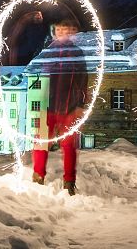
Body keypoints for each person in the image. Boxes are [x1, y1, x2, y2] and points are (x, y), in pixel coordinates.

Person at [32, 17, 88, 195]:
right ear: (54, 31)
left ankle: (69, 182)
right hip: (47, 106)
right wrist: (38, 104)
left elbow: (83, 80)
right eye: (59, 30)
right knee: (40, 143)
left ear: (73, 33)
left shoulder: (77, 53)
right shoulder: (47, 52)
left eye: (67, 30)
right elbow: (38, 77)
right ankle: (37, 177)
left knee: (69, 145)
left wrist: (80, 105)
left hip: (69, 107)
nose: (63, 33)